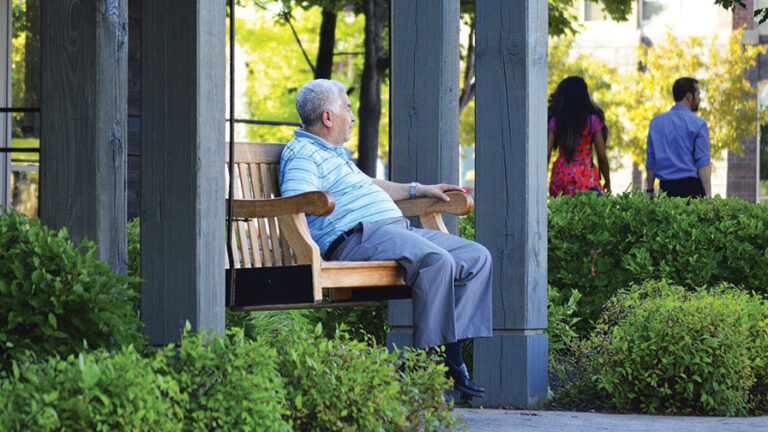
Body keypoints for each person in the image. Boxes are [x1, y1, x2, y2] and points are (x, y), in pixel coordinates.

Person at [279, 79, 493, 400]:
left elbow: (369, 185)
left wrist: (420, 190)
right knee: (436, 262)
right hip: (358, 237)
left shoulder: (335, 155)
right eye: (347, 110)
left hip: (394, 231)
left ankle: (449, 355)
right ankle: (439, 366)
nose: (352, 117)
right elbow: (296, 199)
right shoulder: (303, 154)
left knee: (476, 258)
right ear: (327, 117)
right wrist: (331, 205)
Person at [645, 77, 711, 199]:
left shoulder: (655, 123)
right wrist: (708, 195)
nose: (700, 99)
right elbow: (703, 162)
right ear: (689, 96)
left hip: (666, 189)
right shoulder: (699, 124)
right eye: (698, 94)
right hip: (693, 190)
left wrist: (650, 190)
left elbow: (651, 161)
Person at [547, 76, 611, 197]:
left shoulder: (557, 120)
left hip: (560, 178)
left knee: (562, 214)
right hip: (586, 178)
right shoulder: (592, 121)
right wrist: (607, 180)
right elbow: (601, 156)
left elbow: (547, 154)